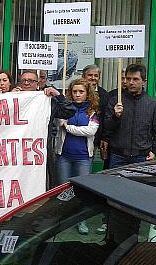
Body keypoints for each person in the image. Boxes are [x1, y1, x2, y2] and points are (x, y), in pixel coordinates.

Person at [14, 70, 76, 189]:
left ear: (37, 83)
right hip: (17, 150)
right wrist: (8, 96)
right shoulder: (12, 98)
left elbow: (69, 111)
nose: (26, 83)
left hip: (40, 150)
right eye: (24, 80)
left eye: (30, 81)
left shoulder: (47, 100)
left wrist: (58, 95)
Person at [54, 78, 99, 235]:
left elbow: (90, 131)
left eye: (81, 91)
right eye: (75, 92)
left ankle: (82, 221)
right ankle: (62, 220)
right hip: (64, 156)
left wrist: (69, 127)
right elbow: (58, 123)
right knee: (63, 191)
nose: (78, 94)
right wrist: (65, 124)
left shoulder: (92, 111)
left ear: (87, 93)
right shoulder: (65, 108)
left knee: (83, 191)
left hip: (83, 157)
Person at [103, 64, 156, 169]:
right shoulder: (116, 101)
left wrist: (155, 150)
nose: (131, 82)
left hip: (142, 157)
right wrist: (116, 116)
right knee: (115, 185)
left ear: (144, 81)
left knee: (137, 185)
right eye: (128, 78)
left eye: (135, 79)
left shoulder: (151, 104)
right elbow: (106, 127)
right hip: (117, 156)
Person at [81, 64, 109, 167]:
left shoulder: (104, 94)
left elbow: (106, 117)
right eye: (90, 75)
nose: (93, 78)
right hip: (75, 134)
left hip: (94, 137)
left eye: (96, 75)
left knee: (87, 164)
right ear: (83, 76)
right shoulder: (76, 91)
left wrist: (104, 137)